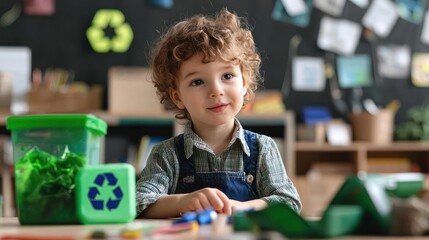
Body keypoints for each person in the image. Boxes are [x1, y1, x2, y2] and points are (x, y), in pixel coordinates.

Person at [136, 8, 301, 219]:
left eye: (227, 75)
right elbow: (139, 202)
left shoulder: (263, 148)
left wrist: (242, 208)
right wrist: (185, 201)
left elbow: (289, 202)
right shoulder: (166, 154)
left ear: (244, 81)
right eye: (197, 82)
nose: (216, 90)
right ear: (177, 97)